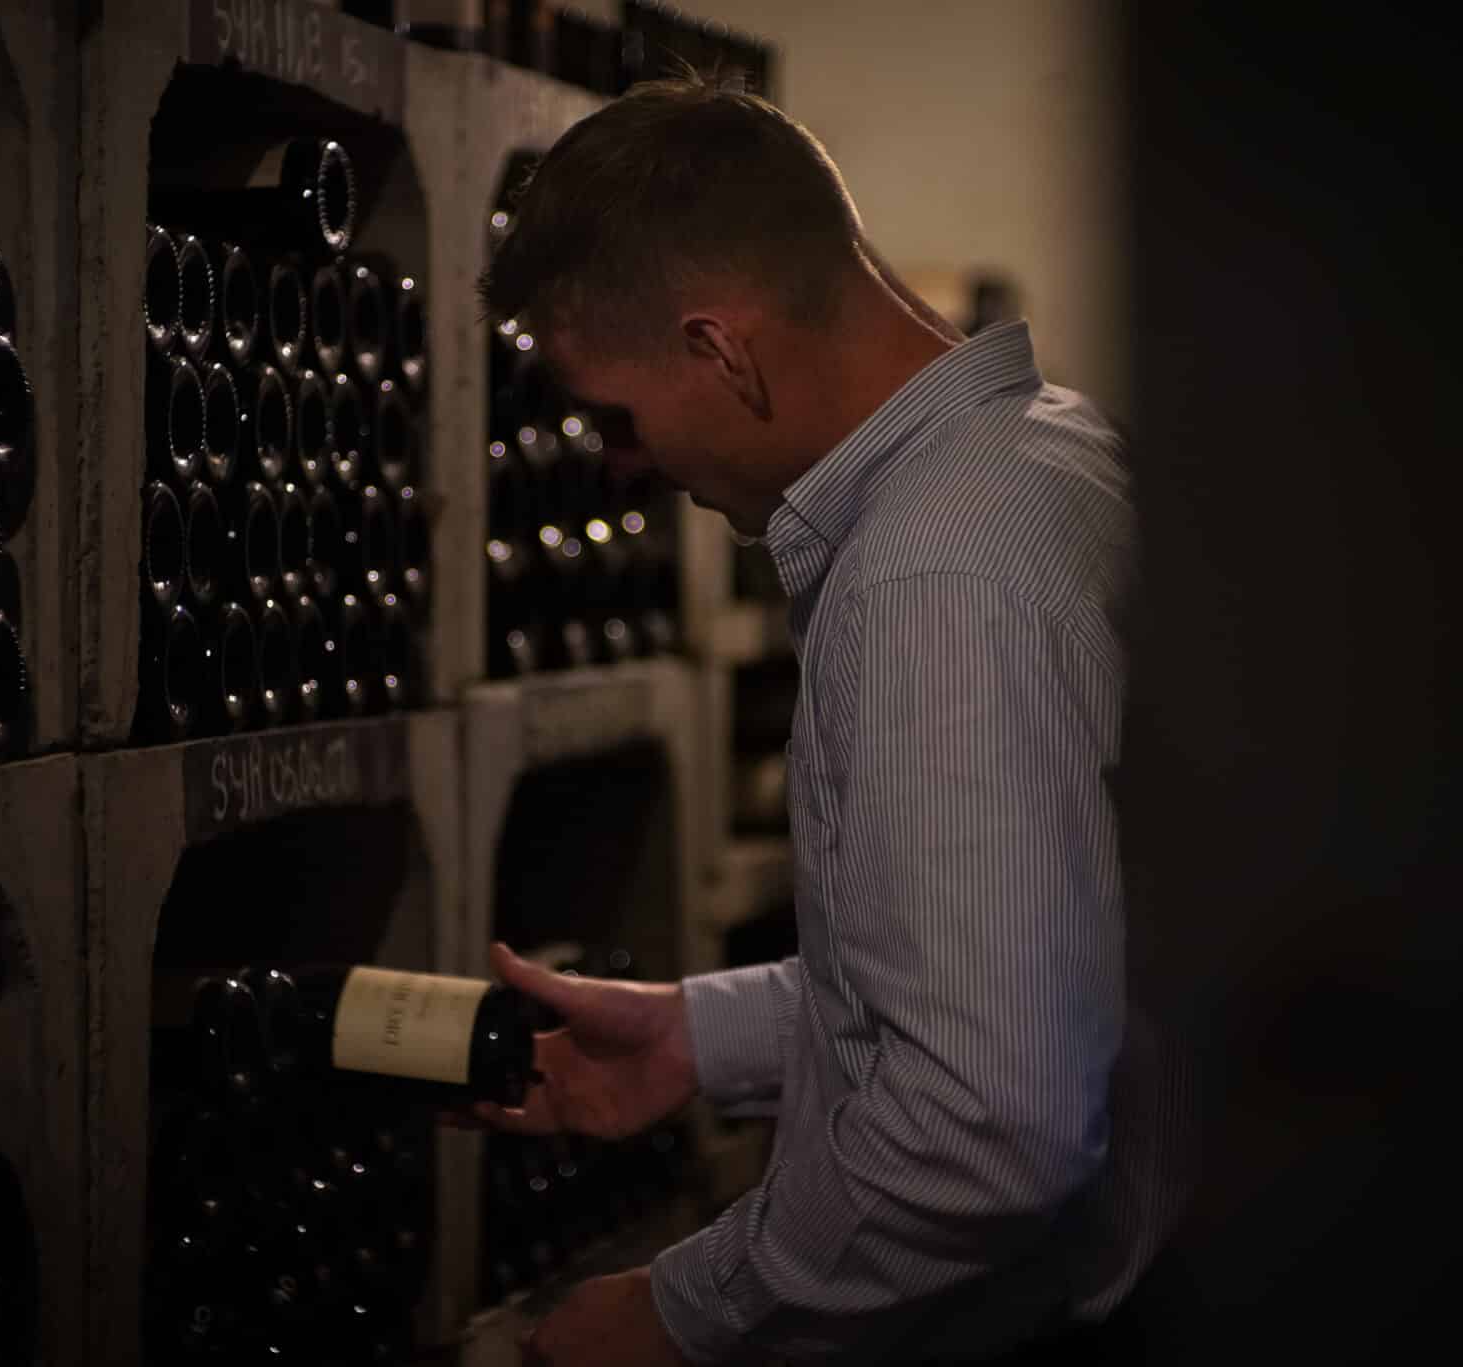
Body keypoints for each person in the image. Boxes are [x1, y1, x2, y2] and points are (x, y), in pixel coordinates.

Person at [465, 74, 1193, 1365]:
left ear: (719, 346)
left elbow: (988, 1120)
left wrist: (681, 1312)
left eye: (616, 421)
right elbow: (1044, 971)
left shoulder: (932, 575)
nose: (623, 471)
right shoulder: (1050, 454)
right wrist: (705, 1033)